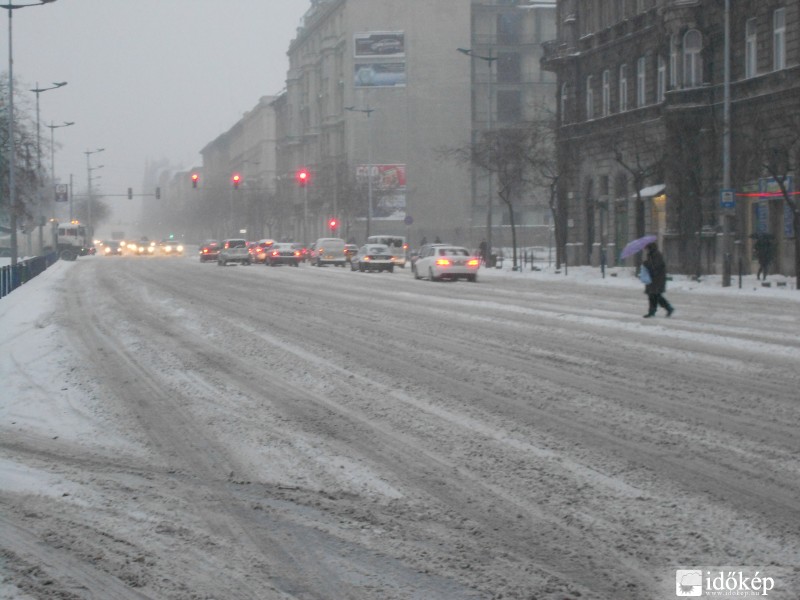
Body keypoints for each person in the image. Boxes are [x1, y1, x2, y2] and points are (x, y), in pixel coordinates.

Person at [642, 242, 674, 318]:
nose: (646, 250)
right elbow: (653, 265)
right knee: (654, 296)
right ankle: (665, 309)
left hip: (657, 279)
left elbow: (656, 267)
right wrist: (646, 263)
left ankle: (656, 311)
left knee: (655, 296)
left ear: (650, 248)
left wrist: (646, 264)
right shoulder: (651, 255)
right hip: (654, 279)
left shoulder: (656, 255)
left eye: (646, 248)